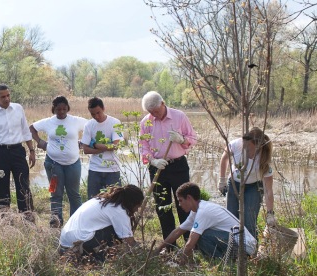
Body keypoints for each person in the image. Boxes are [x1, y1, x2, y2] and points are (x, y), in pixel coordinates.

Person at [139, 91, 197, 247]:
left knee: (184, 205)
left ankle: (190, 244)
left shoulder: (179, 116)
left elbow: (193, 138)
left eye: (156, 111)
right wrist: (153, 160)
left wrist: (181, 139)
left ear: (163, 103)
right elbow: (143, 147)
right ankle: (170, 246)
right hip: (158, 168)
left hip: (178, 166)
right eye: (151, 112)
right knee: (162, 206)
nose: (155, 115)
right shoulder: (146, 122)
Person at [154, 182, 257, 264]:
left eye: (180, 200)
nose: (179, 204)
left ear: (189, 198)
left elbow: (190, 243)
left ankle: (222, 263)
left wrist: (182, 262)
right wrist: (157, 250)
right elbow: (177, 232)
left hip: (244, 248)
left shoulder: (203, 212)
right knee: (200, 235)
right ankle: (224, 261)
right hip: (237, 243)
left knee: (201, 236)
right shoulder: (196, 211)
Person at [30, 95, 87, 227]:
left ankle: (76, 223)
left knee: (74, 194)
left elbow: (91, 127)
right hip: (53, 165)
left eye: (64, 109)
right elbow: (31, 128)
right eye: (58, 109)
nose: (61, 112)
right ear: (54, 109)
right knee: (55, 193)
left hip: (73, 164)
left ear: (68, 108)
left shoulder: (76, 121)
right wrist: (40, 142)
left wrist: (84, 142)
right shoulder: (48, 122)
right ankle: (56, 222)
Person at [0, 84, 36, 214]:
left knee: (23, 184)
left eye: (8, 95)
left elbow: (25, 130)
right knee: (1, 187)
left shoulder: (18, 108)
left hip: (18, 151)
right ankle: (5, 219)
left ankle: (27, 215)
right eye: (3, 97)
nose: (6, 99)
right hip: (0, 153)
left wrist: (31, 150)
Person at [59, 184, 143, 261]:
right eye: (137, 206)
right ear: (132, 203)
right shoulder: (119, 211)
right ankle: (96, 257)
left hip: (64, 244)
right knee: (114, 233)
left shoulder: (101, 200)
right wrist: (142, 253)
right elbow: (128, 241)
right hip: (78, 244)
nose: (137, 210)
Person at [218, 127, 275, 240]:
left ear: (258, 146)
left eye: (248, 148)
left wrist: (270, 213)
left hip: (254, 186)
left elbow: (268, 190)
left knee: (249, 220)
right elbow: (224, 159)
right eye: (243, 146)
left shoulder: (263, 160)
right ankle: (232, 248)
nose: (245, 150)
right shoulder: (234, 145)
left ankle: (251, 250)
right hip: (234, 183)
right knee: (231, 217)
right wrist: (222, 180)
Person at [80, 97, 124, 200]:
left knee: (116, 200)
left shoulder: (115, 122)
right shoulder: (89, 125)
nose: (96, 116)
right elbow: (85, 149)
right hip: (95, 169)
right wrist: (105, 147)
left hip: (112, 168)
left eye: (98, 113)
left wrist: (95, 145)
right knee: (93, 201)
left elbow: (115, 146)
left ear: (103, 108)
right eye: (93, 114)